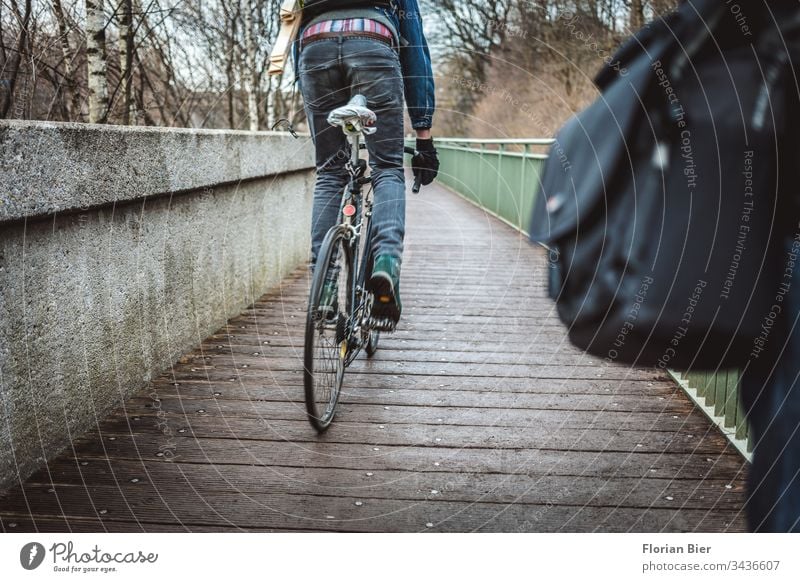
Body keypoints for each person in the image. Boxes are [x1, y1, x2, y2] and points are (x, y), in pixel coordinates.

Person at [296, 0, 439, 325]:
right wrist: (423, 134)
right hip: (373, 41)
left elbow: (293, 21)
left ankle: (325, 285)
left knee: (330, 172)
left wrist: (307, 87)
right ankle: (386, 263)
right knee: (387, 167)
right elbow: (414, 46)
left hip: (314, 45)